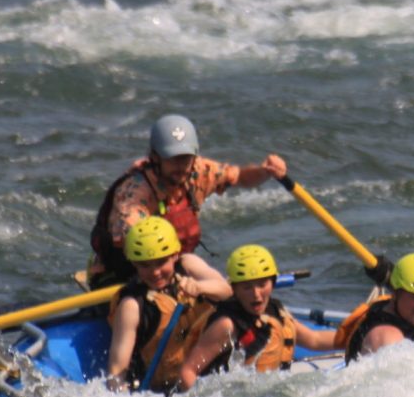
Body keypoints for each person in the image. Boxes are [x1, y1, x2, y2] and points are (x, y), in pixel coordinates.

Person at [87, 113, 287, 288]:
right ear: (155, 158)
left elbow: (240, 177)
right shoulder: (134, 194)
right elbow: (137, 250)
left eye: (185, 158)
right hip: (128, 272)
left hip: (170, 267)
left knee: (193, 265)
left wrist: (264, 172)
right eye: (172, 159)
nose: (180, 166)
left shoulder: (197, 171)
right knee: (190, 264)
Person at [178, 244, 338, 390]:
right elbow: (188, 371)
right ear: (234, 289)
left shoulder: (275, 310)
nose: (256, 294)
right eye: (247, 287)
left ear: (273, 283)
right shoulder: (227, 325)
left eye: (262, 285)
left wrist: (353, 335)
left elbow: (314, 339)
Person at [105, 216, 231, 394]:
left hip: (211, 378)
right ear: (133, 263)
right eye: (145, 266)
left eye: (161, 262)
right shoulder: (131, 306)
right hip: (167, 393)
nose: (155, 272)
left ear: (175, 255)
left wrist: (199, 287)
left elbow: (226, 291)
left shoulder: (188, 264)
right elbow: (117, 371)